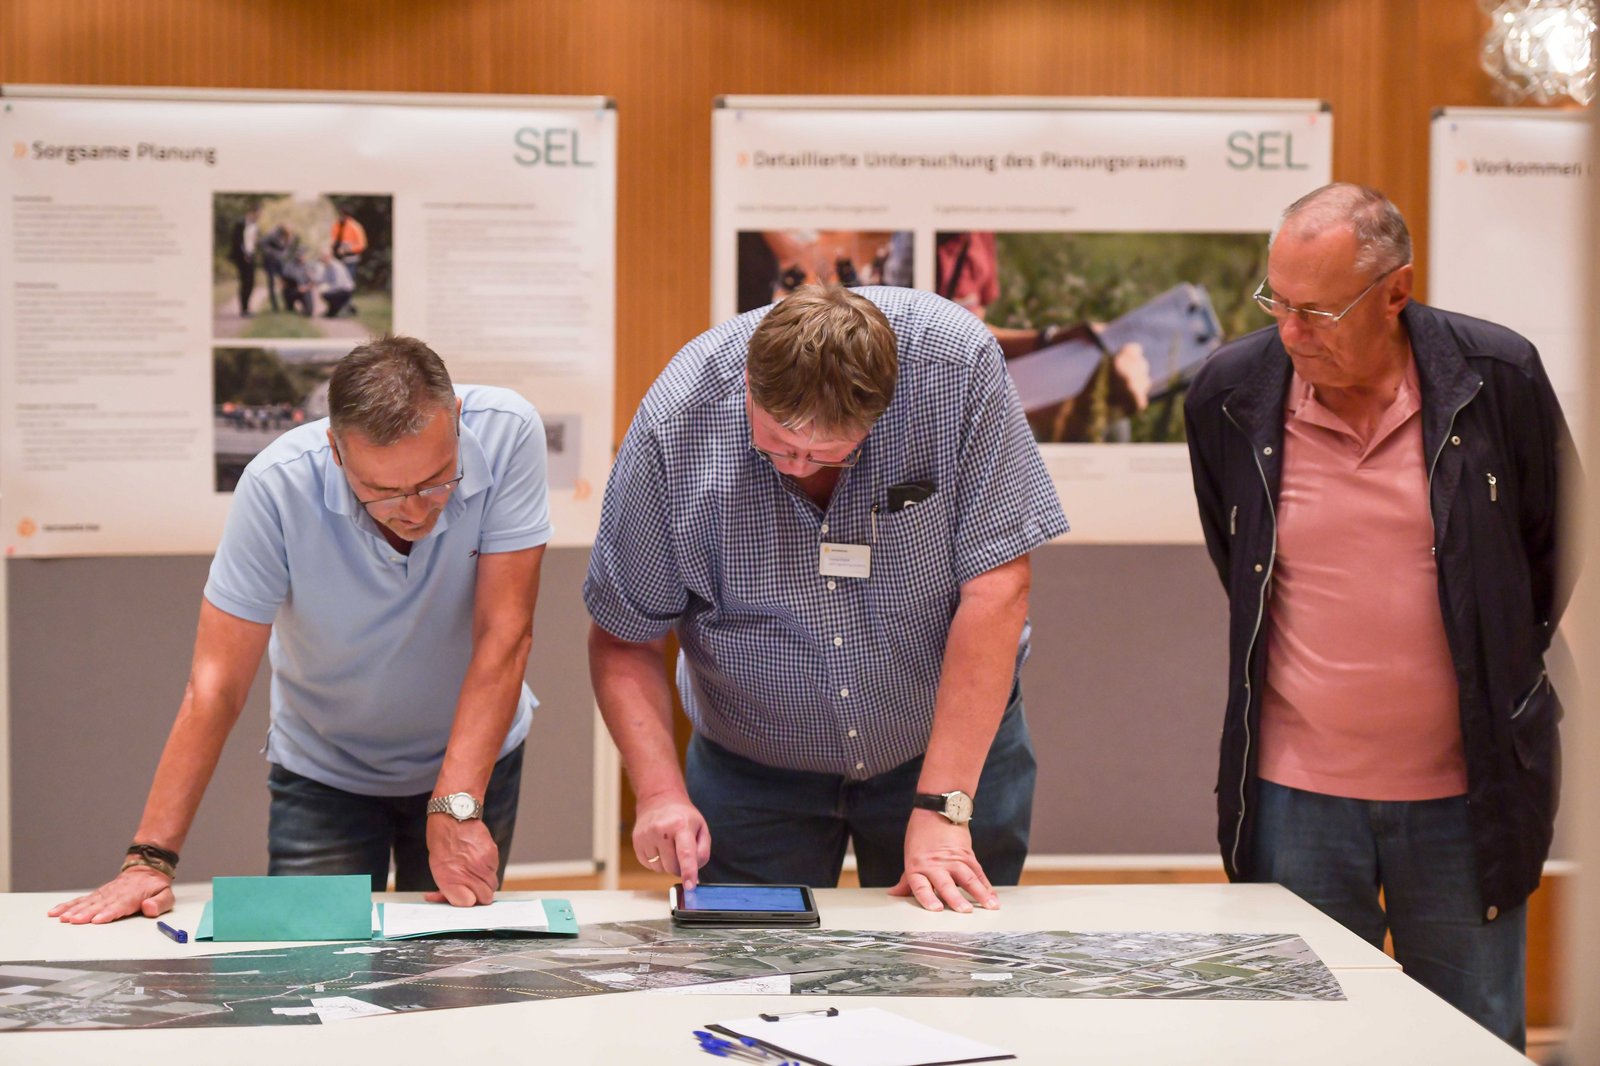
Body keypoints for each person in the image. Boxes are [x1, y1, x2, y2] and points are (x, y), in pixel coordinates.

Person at [1183, 183, 1572, 1050]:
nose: (1291, 332)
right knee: (1310, 1045)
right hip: (1295, 801)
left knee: (1468, 1042)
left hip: (1464, 797)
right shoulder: (1229, 393)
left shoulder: (1496, 379)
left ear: (1396, 292)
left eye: (1317, 310)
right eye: (1276, 303)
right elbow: (1237, 559)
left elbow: (1547, 556)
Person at [586, 285, 1069, 913]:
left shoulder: (955, 370)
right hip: (751, 771)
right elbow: (626, 636)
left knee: (950, 970)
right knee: (752, 976)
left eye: (828, 453)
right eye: (780, 445)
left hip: (943, 749)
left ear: (882, 411)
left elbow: (998, 587)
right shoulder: (677, 425)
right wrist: (657, 793)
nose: (799, 466)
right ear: (749, 389)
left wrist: (942, 805)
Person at [50, 336, 552, 923]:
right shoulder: (276, 486)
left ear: (458, 422)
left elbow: (505, 634)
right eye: (383, 493)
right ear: (337, 452)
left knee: (453, 967)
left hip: (469, 756)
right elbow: (216, 684)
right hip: (326, 768)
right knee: (308, 973)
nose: (414, 510)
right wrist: (149, 857)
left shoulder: (509, 430)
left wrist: (457, 802)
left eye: (437, 480)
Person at [229, 205, 260, 318]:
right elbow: (236, 242)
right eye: (257, 214)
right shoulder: (240, 224)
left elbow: (252, 241)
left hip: (251, 256)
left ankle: (247, 308)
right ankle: (244, 309)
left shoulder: (255, 225)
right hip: (241, 257)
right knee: (245, 282)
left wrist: (252, 253)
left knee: (251, 282)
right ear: (251, 212)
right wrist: (244, 255)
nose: (259, 216)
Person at [331, 207, 368, 273]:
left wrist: (346, 249)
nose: (339, 216)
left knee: (348, 280)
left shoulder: (355, 226)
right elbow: (333, 239)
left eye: (341, 214)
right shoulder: (337, 225)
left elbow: (362, 245)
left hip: (351, 259)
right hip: (338, 259)